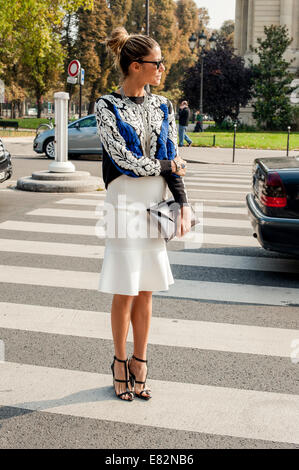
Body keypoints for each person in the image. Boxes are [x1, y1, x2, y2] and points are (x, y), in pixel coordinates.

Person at [95, 27, 191, 402]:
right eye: (157, 63)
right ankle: (119, 363)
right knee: (125, 287)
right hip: (124, 200)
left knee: (147, 288)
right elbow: (124, 160)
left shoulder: (163, 105)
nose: (162, 69)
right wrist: (169, 162)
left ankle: (140, 361)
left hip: (155, 200)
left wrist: (182, 204)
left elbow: (173, 158)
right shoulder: (107, 106)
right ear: (136, 66)